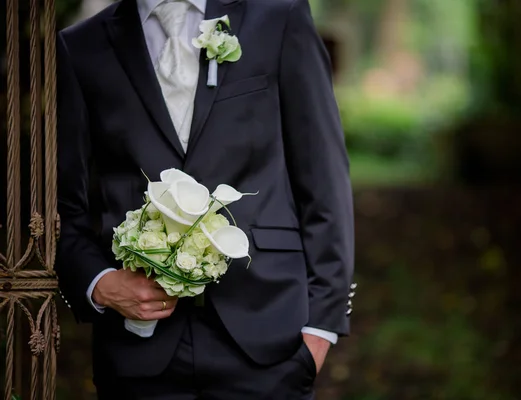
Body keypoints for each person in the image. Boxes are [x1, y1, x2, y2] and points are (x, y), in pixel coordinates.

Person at [56, 0, 355, 398]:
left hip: (269, 339)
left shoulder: (279, 17)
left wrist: (321, 329)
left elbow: (323, 180)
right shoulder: (82, 46)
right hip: (136, 351)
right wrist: (98, 283)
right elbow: (63, 206)